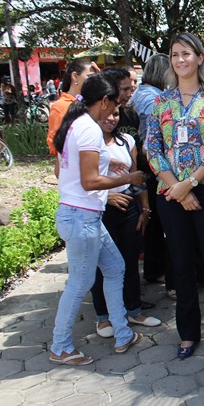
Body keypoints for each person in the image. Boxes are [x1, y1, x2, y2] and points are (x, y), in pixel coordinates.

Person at [147, 32, 204, 360]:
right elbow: (152, 148)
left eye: (186, 53)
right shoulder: (161, 102)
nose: (180, 60)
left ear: (199, 57)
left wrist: (191, 183)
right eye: (175, 54)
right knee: (181, 263)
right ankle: (187, 334)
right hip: (170, 195)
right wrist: (178, 189)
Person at [50, 73, 146, 365]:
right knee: (79, 284)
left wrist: (110, 162)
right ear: (104, 101)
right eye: (115, 103)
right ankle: (60, 346)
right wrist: (130, 177)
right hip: (82, 217)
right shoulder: (90, 129)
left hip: (83, 215)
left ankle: (122, 333)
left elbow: (80, 166)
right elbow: (90, 181)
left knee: (115, 268)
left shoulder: (77, 124)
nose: (118, 108)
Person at [90, 97, 161, 339]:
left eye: (116, 114)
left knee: (129, 262)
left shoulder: (127, 140)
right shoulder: (87, 143)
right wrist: (106, 196)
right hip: (101, 209)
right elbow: (80, 181)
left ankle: (134, 310)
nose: (111, 118)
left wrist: (145, 209)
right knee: (102, 265)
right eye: (107, 113)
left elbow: (136, 177)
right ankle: (103, 317)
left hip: (129, 207)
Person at [131, 53, 173, 291]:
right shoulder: (153, 98)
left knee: (153, 222)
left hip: (145, 163)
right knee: (156, 222)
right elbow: (152, 140)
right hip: (152, 165)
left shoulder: (142, 93)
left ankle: (154, 268)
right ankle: (156, 270)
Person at [47, 59, 98, 156]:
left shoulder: (93, 102)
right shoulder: (61, 106)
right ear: (75, 76)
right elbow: (53, 145)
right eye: (90, 77)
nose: (94, 81)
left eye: (96, 77)